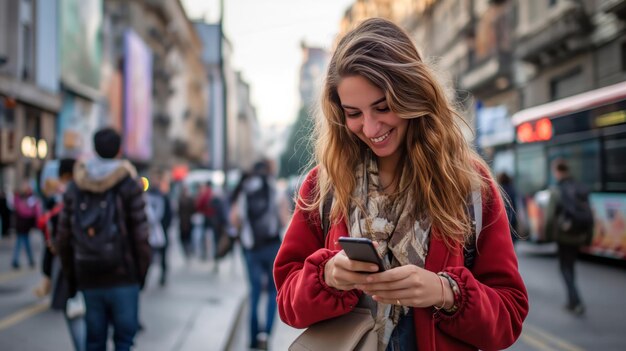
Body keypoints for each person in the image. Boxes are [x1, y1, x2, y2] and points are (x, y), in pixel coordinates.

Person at [273, 18, 528, 351]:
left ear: (412, 93)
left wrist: (444, 292)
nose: (370, 126)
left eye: (383, 106)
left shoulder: (468, 184)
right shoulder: (324, 185)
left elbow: (509, 316)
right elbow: (286, 302)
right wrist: (328, 276)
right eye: (353, 113)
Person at [56, 127, 152, 351]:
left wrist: (72, 279)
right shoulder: (129, 184)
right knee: (124, 341)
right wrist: (140, 274)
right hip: (123, 277)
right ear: (119, 150)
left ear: (95, 149)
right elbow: (141, 235)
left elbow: (63, 237)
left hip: (88, 275)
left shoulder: (76, 185)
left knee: (94, 341)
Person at [34, 158, 86, 351]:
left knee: (75, 312)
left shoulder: (60, 196)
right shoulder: (84, 191)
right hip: (89, 261)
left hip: (68, 262)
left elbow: (55, 234)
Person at [230, 160, 282, 350]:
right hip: (272, 247)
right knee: (272, 292)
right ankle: (266, 335)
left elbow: (235, 219)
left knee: (254, 292)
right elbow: (283, 219)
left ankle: (252, 338)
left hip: (252, 248)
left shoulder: (245, 189)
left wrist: (244, 232)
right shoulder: (273, 187)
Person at [544, 159, 593, 316]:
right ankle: (572, 302)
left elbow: (550, 218)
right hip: (579, 235)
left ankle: (576, 301)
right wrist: (588, 238)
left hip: (564, 236)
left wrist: (549, 236)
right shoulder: (580, 188)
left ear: (557, 171)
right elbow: (590, 216)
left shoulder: (556, 191)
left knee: (565, 268)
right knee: (570, 267)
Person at [146, 171, 172, 286]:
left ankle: (163, 275)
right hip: (150, 231)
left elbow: (168, 214)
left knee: (162, 256)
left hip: (161, 230)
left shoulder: (163, 197)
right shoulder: (148, 195)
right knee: (149, 256)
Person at [11, 180, 40, 269]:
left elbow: (35, 208)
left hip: (26, 224)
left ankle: (19, 260)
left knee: (22, 242)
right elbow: (21, 209)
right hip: (21, 223)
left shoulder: (31, 196)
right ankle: (25, 260)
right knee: (22, 242)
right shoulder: (18, 197)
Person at [497, 172, 519, 243]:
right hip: (513, 216)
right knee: (512, 237)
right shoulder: (513, 189)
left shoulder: (499, 190)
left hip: (503, 216)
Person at [177, 184, 195, 260]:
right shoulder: (187, 199)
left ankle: (188, 250)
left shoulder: (182, 199)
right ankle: (188, 250)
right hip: (186, 222)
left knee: (186, 238)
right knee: (186, 238)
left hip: (185, 222)